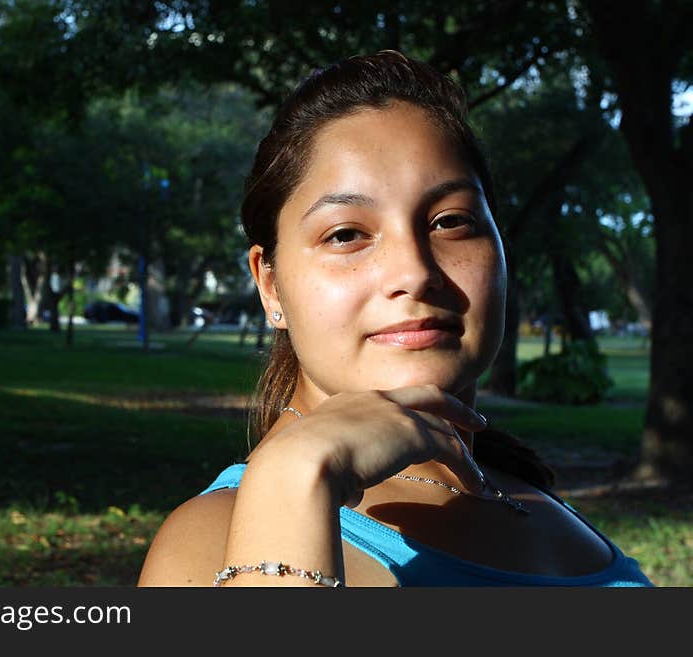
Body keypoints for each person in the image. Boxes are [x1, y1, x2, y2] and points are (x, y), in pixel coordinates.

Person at [137, 50, 654, 587]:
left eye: (451, 221)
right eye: (346, 234)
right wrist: (294, 478)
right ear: (270, 285)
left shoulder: (527, 495)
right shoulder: (215, 541)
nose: (414, 271)